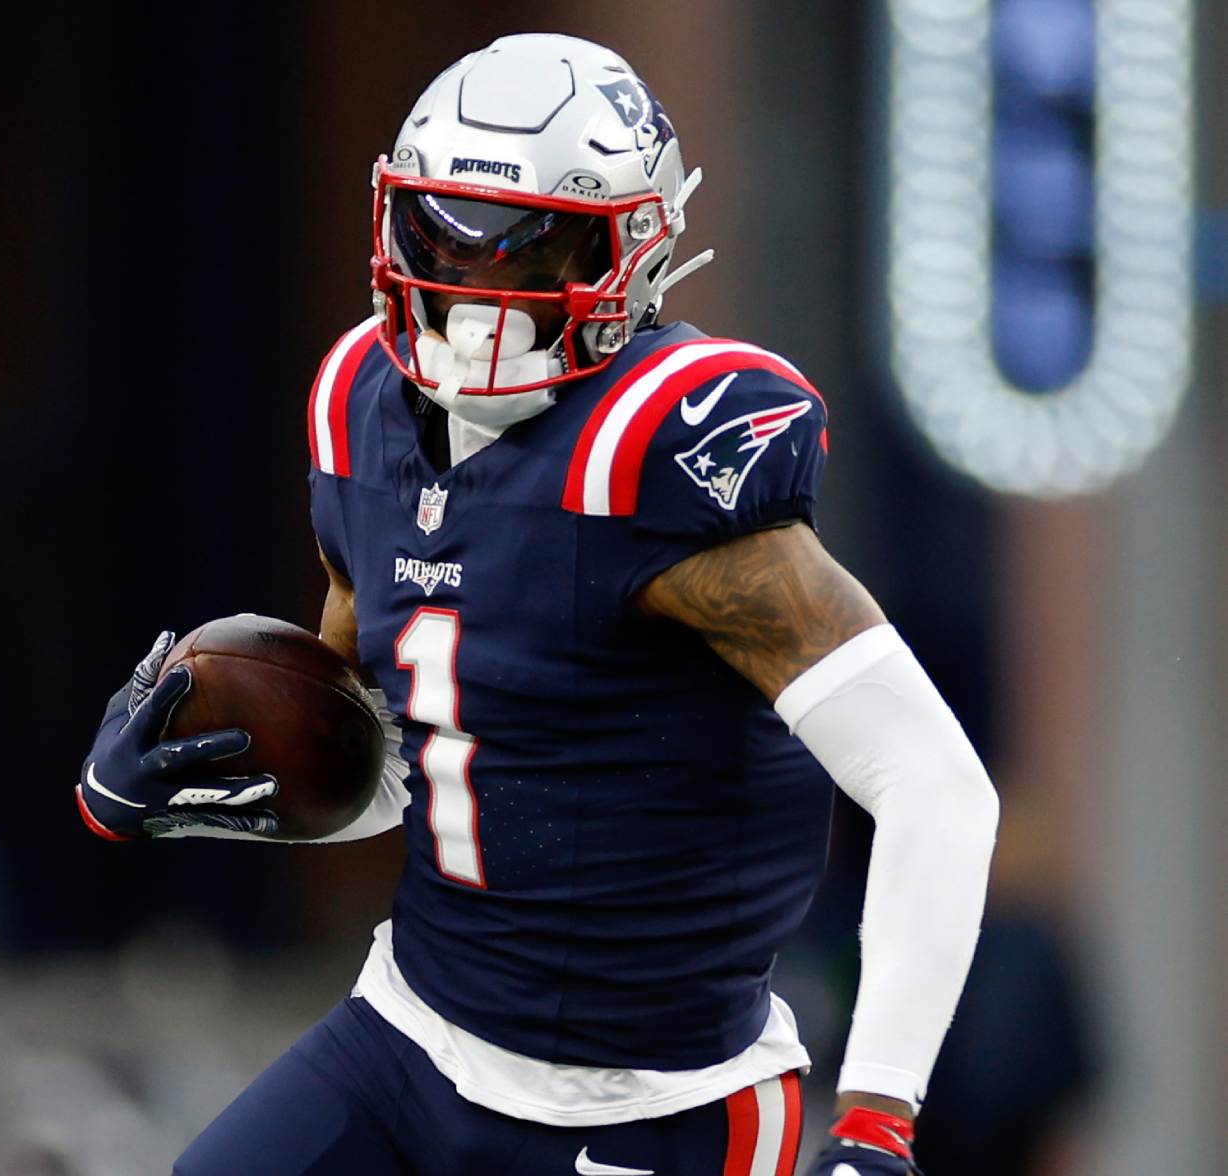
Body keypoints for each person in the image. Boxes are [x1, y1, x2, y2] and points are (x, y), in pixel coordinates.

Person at [76, 34, 999, 1176]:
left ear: (637, 251)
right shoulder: (359, 405)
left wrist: (876, 1120)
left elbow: (935, 787)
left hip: (647, 1105)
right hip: (408, 1038)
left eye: (528, 252)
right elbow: (411, 772)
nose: (473, 292)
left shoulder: (658, 460)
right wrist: (183, 790)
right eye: (440, 235)